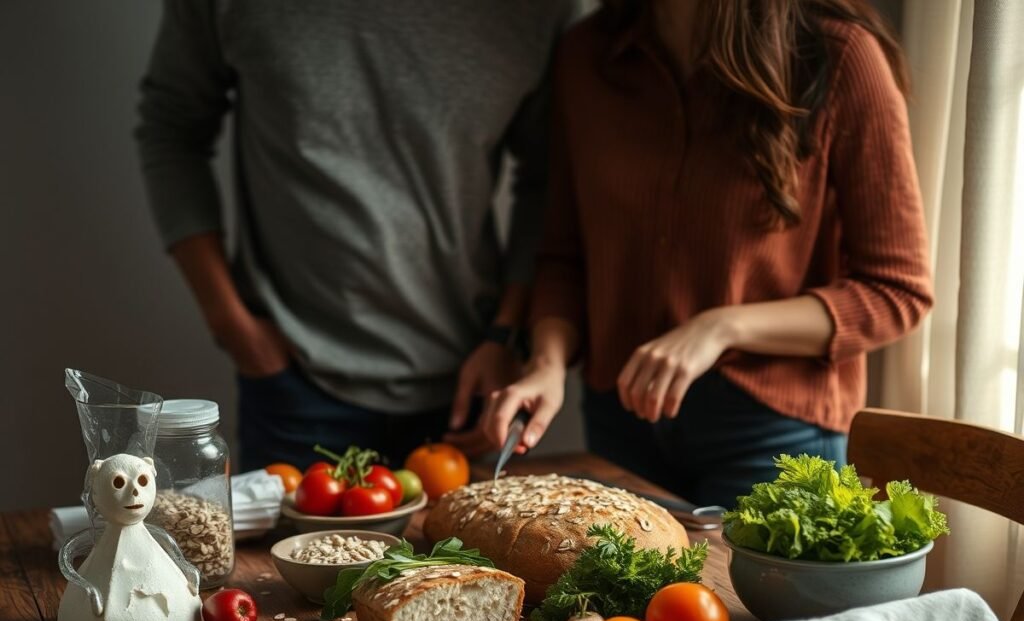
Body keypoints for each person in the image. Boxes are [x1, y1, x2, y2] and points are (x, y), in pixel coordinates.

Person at [481, 0, 933, 507]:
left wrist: (719, 327)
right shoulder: (585, 54)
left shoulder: (840, 56)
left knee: (740, 592)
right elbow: (564, 255)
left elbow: (898, 292)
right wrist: (545, 363)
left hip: (773, 432)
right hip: (621, 420)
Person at [136, 0, 585, 471]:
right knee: (273, 550)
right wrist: (230, 323)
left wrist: (507, 332)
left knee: (469, 547)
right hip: (295, 383)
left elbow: (547, 179)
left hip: (473, 377)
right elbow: (172, 129)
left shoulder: (540, 9)